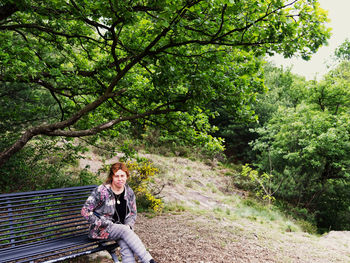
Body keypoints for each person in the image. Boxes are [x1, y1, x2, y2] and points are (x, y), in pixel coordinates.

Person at [81, 162, 157, 263]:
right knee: (125, 231)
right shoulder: (101, 191)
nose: (120, 179)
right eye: (117, 176)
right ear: (112, 177)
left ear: (127, 176)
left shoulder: (129, 192)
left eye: (122, 176)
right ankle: (148, 259)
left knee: (126, 242)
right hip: (101, 229)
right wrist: (103, 222)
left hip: (121, 229)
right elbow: (85, 211)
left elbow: (132, 213)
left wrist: (129, 225)